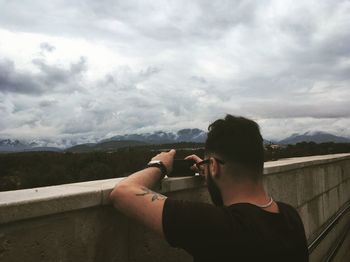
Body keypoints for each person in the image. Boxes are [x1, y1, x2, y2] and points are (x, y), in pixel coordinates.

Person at [109, 114, 309, 261]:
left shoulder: (217, 226)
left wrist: (159, 165)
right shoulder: (290, 217)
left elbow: (122, 192)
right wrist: (213, 174)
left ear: (213, 166)